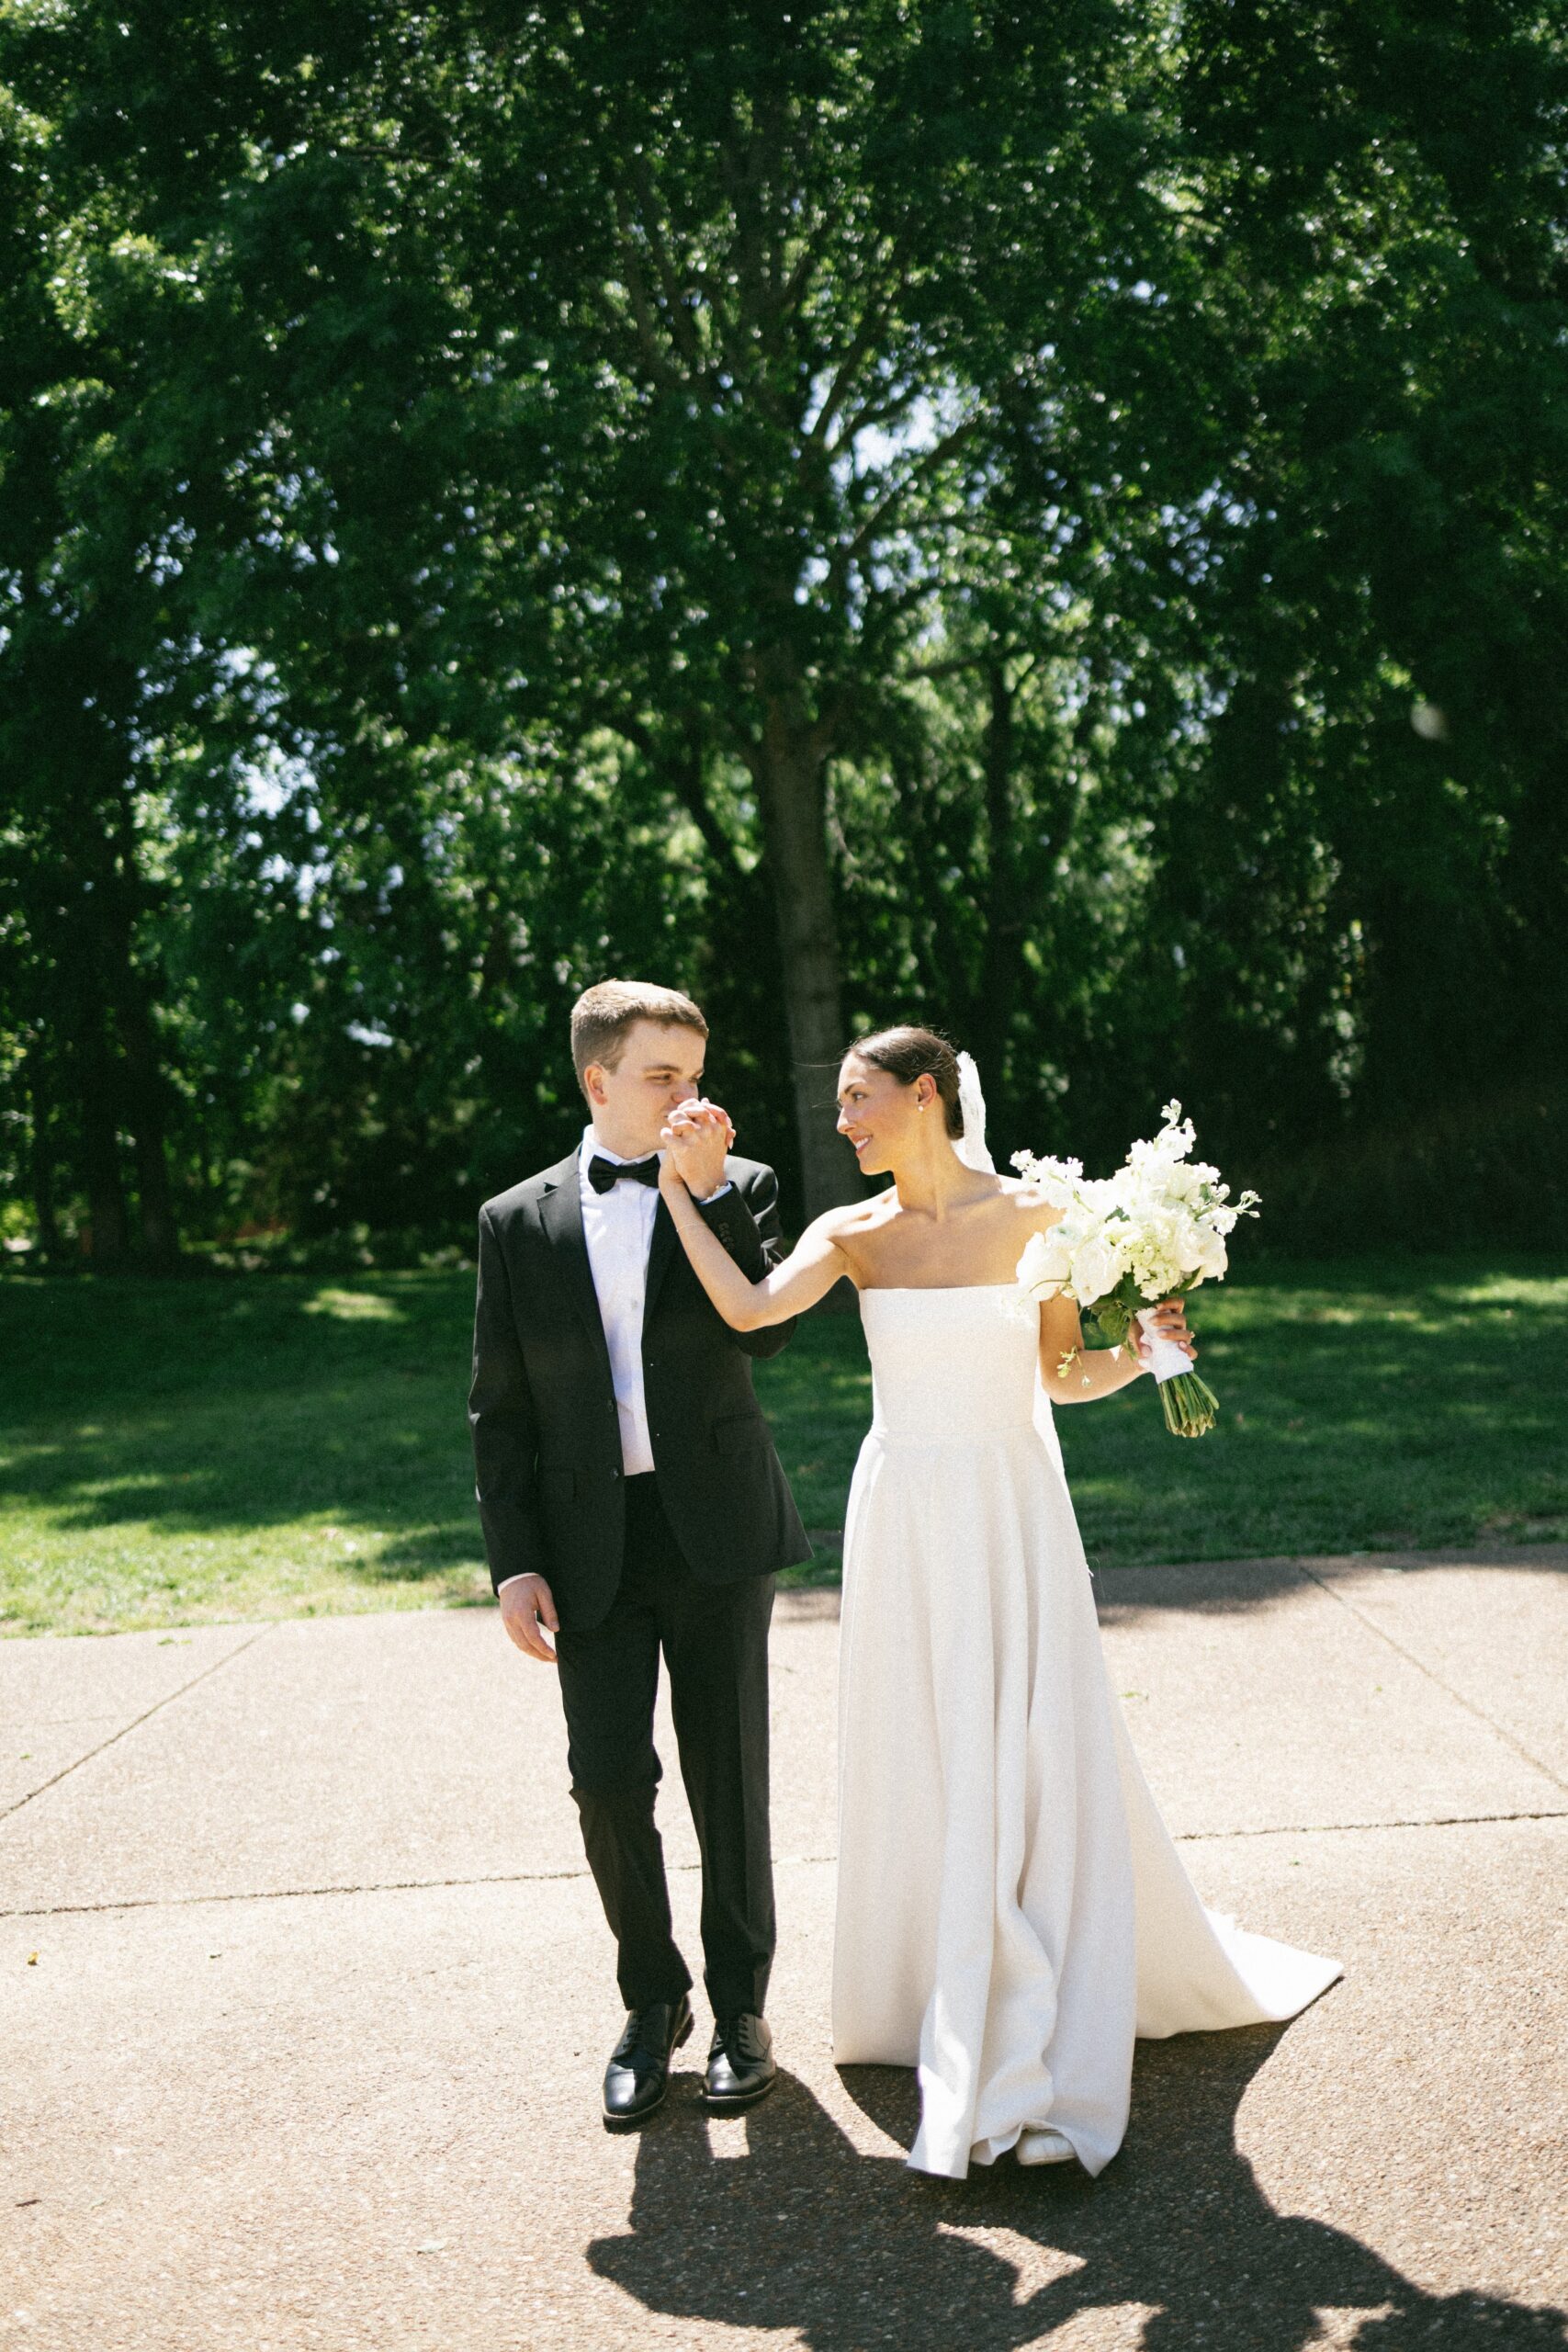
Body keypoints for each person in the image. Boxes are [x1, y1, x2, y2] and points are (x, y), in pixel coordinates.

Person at [657, 1025, 1341, 2177]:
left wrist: (1144, 1352)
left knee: (1027, 1736)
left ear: (926, 1096)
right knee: (928, 1737)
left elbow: (1063, 1375)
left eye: (859, 1099)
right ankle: (939, 1960)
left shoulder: (1039, 1218)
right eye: (839, 1105)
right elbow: (747, 1307)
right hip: (906, 1511)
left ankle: (1034, 1960)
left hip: (1011, 1503)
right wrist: (686, 1192)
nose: (844, 1123)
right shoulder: (852, 1233)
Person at [468, 979, 811, 2129]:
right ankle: (649, 1998)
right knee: (607, 1780)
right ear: (598, 1080)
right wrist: (514, 1561)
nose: (690, 1095)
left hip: (715, 1525)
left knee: (730, 1779)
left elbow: (767, 1321)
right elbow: (498, 1408)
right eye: (665, 1075)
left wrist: (702, 1196)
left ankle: (742, 2008)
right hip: (583, 1545)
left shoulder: (740, 1183)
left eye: (698, 1073)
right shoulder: (516, 1221)